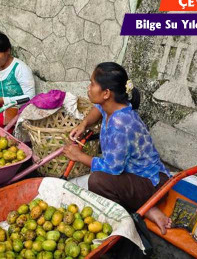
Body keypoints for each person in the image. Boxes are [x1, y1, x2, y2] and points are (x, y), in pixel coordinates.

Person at [63, 62, 172, 235]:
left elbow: (113, 169)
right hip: (135, 176)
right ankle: (144, 207)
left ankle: (143, 212)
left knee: (97, 181)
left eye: (92, 84)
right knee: (98, 179)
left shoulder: (121, 123)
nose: (88, 88)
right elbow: (97, 108)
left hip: (152, 184)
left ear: (106, 93)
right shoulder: (111, 105)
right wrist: (84, 123)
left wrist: (79, 156)